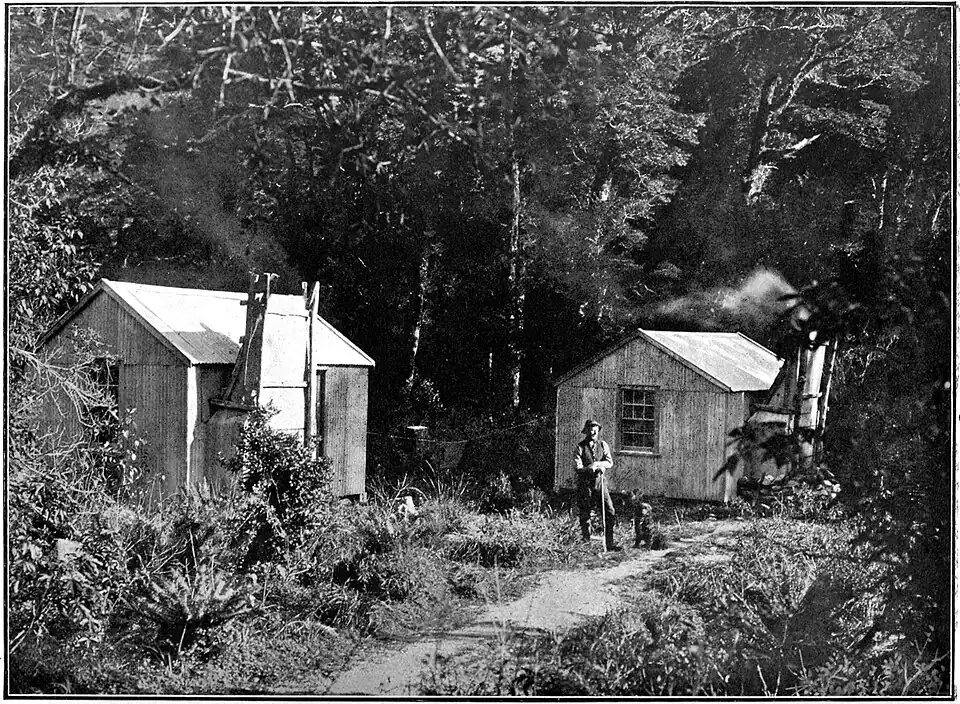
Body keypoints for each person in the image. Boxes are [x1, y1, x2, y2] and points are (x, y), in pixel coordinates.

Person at [574, 419, 620, 551]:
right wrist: (590, 468)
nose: (593, 431)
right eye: (590, 428)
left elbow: (609, 462)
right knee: (585, 513)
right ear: (586, 431)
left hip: (600, 483)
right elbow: (578, 468)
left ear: (598, 431)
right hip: (585, 484)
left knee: (609, 511)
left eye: (595, 429)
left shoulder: (603, 445)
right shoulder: (580, 447)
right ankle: (586, 543)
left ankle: (609, 544)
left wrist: (598, 465)